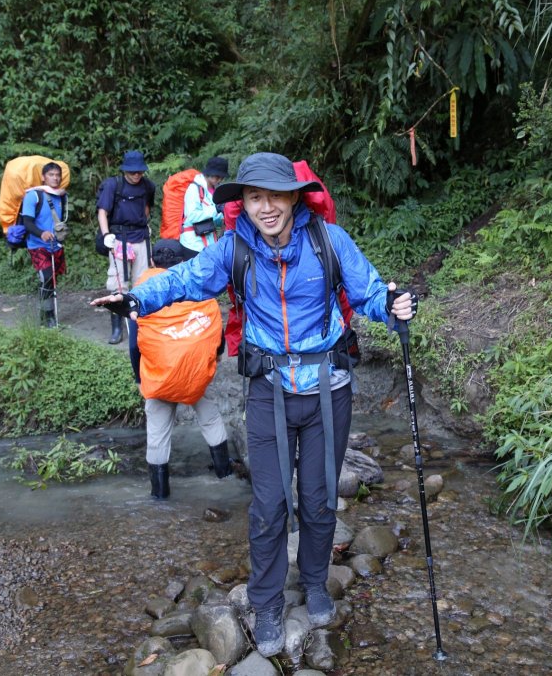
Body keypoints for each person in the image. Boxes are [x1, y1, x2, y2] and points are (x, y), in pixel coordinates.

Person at [91, 152, 416, 658]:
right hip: (268, 392)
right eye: (255, 197)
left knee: (319, 498)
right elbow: (185, 279)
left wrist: (394, 307)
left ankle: (314, 582)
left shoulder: (329, 241)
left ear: (294, 197)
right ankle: (266, 603)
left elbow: (370, 293)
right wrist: (137, 300)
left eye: (275, 196)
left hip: (328, 390)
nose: (266, 207)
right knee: (268, 505)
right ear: (242, 202)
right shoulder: (234, 248)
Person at [125, 239, 235, 499]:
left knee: (157, 434)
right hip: (195, 374)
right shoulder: (198, 288)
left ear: (152, 262)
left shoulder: (142, 293)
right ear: (183, 262)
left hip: (160, 376)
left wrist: (139, 379)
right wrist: (215, 356)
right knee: (210, 417)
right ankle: (226, 476)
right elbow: (215, 329)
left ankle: (160, 495)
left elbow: (134, 345)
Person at [97, 150, 156, 344]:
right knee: (118, 283)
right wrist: (106, 235)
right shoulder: (113, 185)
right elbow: (102, 212)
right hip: (119, 239)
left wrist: (143, 224)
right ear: (124, 170)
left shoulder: (147, 186)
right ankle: (117, 328)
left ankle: (141, 325)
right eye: (132, 171)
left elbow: (147, 208)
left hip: (141, 238)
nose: (137, 174)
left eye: (140, 171)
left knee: (142, 282)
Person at [22, 162, 68, 328]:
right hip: (37, 245)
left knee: (51, 279)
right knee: (47, 277)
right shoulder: (33, 196)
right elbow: (27, 222)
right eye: (51, 175)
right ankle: (48, 317)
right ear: (43, 177)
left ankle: (45, 314)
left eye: (57, 175)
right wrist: (41, 233)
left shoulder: (61, 195)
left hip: (55, 245)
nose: (55, 178)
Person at [179, 156, 229, 258]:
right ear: (209, 172)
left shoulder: (215, 190)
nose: (220, 179)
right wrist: (216, 209)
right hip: (193, 244)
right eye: (217, 176)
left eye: (222, 177)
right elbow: (192, 216)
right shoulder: (194, 189)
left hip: (209, 242)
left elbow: (215, 218)